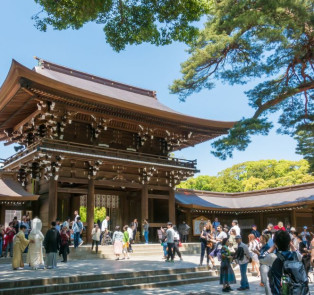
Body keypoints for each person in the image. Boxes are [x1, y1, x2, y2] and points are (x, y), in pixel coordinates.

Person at [268, 230, 308, 295]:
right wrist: (292, 245)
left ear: (275, 242)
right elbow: (299, 253)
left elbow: (261, 257)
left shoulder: (272, 257)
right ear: (289, 242)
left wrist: (273, 246)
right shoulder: (296, 255)